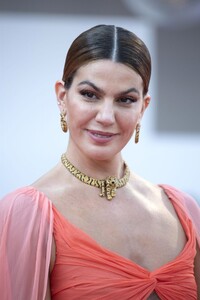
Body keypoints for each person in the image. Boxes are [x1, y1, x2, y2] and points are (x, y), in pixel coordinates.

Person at [0, 24, 199, 300]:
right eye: (90, 95)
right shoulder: (26, 214)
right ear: (62, 97)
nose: (106, 116)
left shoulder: (183, 210)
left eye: (125, 100)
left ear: (143, 107)